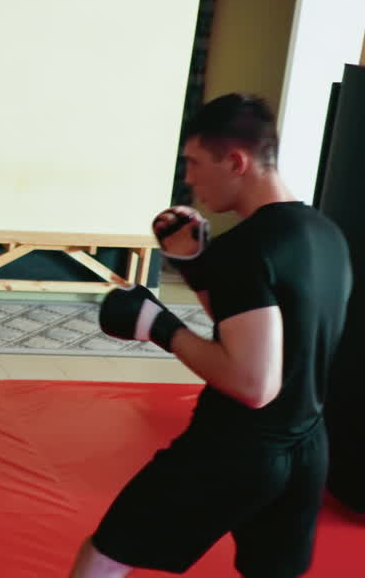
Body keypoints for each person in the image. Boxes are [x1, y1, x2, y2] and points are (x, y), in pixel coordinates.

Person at [71, 93, 353, 578]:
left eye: (195, 162)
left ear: (237, 161)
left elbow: (252, 382)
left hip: (234, 449)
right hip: (307, 448)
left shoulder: (248, 247)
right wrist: (200, 268)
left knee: (107, 552)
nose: (190, 178)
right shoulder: (326, 234)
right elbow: (259, 329)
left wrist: (158, 326)